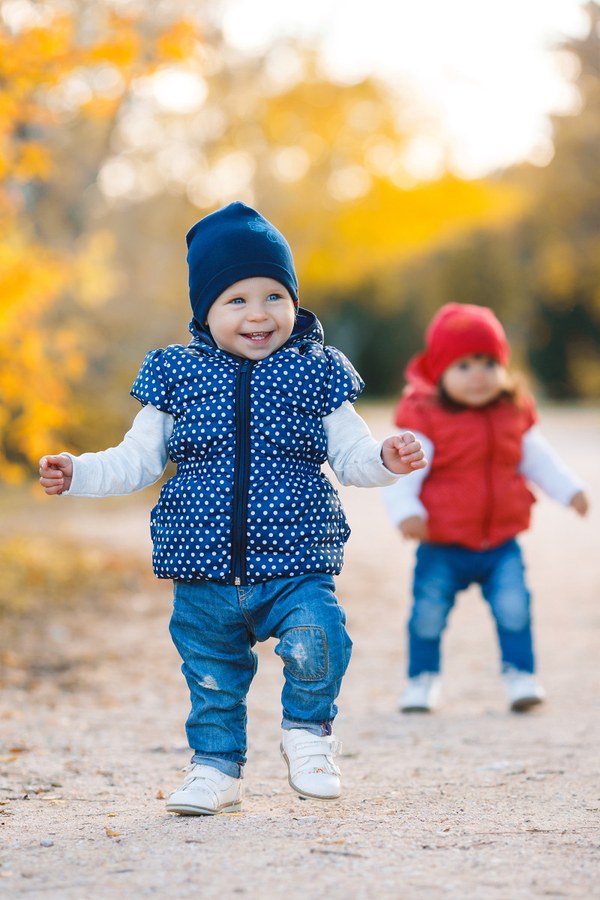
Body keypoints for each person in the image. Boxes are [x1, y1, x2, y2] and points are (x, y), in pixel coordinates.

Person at [39, 201, 426, 816]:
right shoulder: (177, 376)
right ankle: (216, 771)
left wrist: (386, 456)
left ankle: (308, 733)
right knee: (212, 680)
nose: (259, 314)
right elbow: (136, 460)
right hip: (201, 567)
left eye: (275, 295)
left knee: (317, 638)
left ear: (294, 301)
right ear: (205, 311)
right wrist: (79, 472)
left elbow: (351, 456)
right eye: (237, 300)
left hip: (295, 558)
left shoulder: (316, 373)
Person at [383, 302, 589, 715]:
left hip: (500, 544)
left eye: (487, 362)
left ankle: (521, 675)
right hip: (442, 543)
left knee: (514, 608)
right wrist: (406, 511)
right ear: (438, 373)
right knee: (428, 613)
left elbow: (538, 459)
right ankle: (421, 679)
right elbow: (407, 471)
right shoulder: (427, 418)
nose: (478, 374)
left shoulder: (512, 412)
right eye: (463, 365)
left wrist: (569, 491)